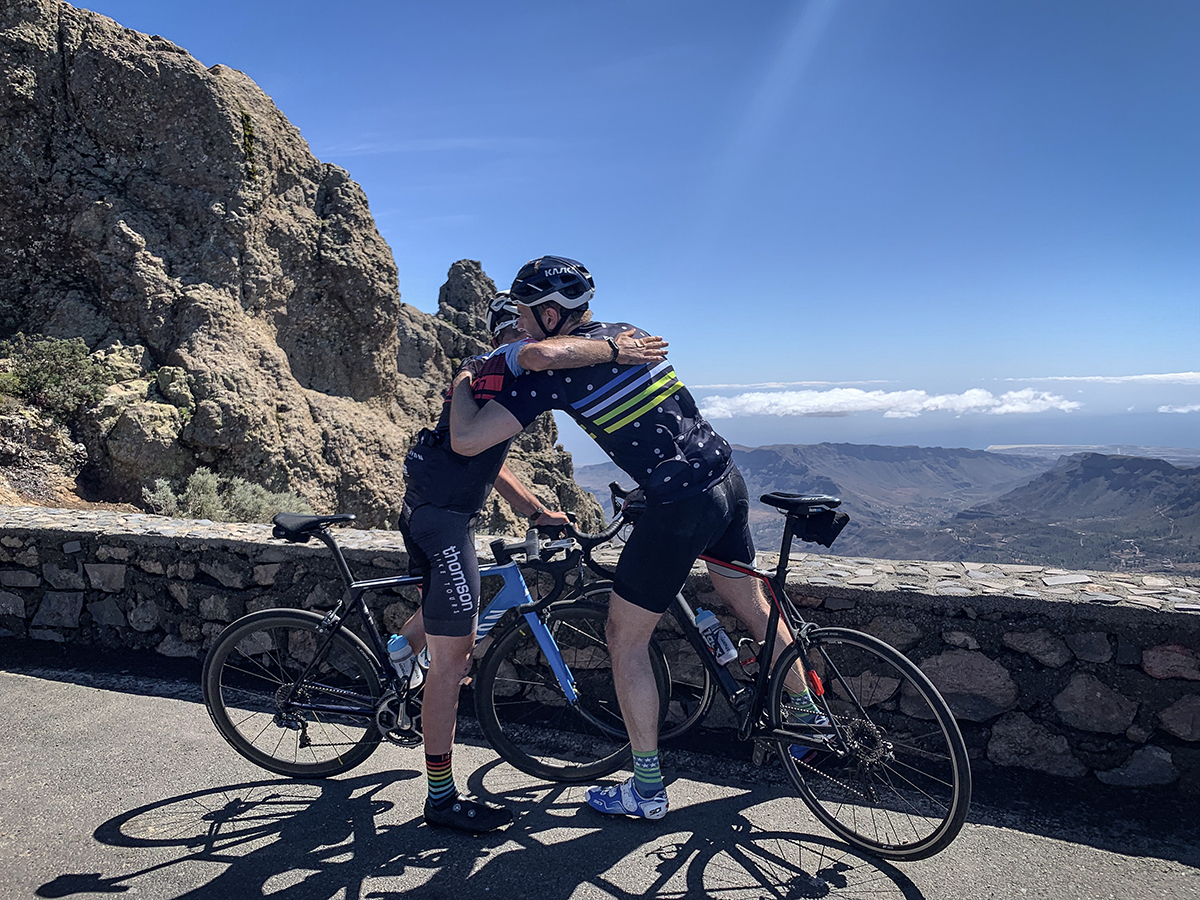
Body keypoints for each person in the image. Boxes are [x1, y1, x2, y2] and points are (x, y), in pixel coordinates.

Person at [449, 256, 821, 822]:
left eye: (525, 313)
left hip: (680, 505)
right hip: (726, 480)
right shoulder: (625, 334)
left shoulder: (548, 369)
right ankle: (807, 713)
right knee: (750, 601)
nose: (520, 324)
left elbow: (471, 440)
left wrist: (465, 383)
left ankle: (647, 790)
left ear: (551, 314)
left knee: (624, 638)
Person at [397, 290, 667, 834]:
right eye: (523, 326)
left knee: (450, 617)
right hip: (444, 522)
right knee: (455, 661)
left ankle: (399, 652)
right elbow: (527, 371)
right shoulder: (497, 367)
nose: (536, 337)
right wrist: (614, 348)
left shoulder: (486, 377)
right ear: (510, 330)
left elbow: (486, 460)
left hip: (437, 510)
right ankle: (441, 799)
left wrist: (536, 508)